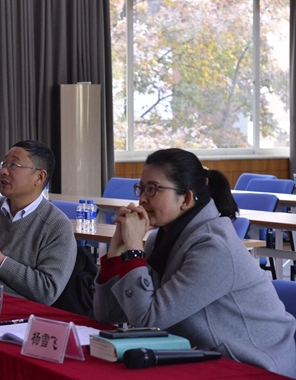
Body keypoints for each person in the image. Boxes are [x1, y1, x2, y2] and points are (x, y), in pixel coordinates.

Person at [92, 148, 296, 377]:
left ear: (186, 199)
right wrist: (117, 249)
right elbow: (107, 314)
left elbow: (147, 319)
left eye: (152, 189)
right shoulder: (159, 239)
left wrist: (133, 252)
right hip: (196, 355)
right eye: (141, 188)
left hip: (252, 364)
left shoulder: (214, 247)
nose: (141, 199)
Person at [0, 140, 76, 306]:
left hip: (20, 311)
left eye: (14, 165)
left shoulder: (57, 225)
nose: (4, 171)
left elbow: (47, 291)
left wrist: (0, 261)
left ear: (39, 177)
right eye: (4, 164)